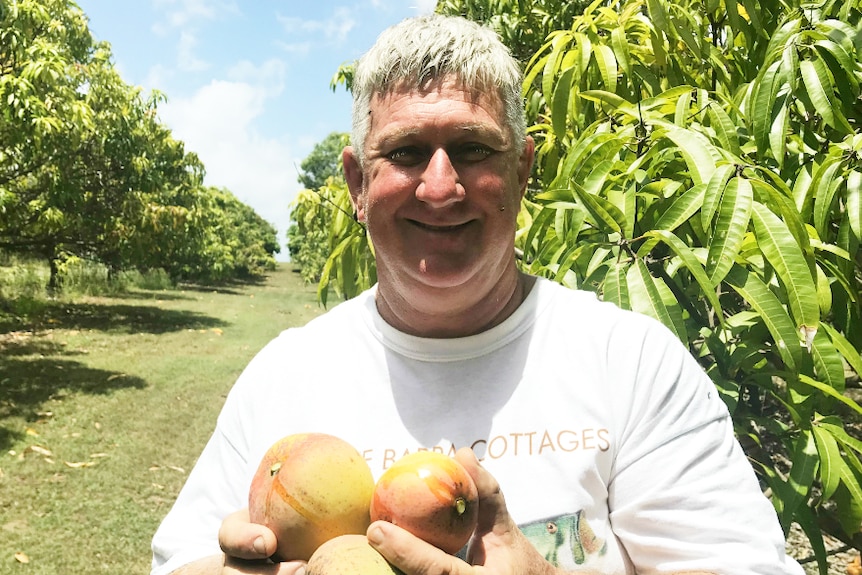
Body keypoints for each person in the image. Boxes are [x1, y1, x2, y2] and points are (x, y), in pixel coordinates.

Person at [151, 14, 805, 575]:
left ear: (522, 171)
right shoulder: (284, 376)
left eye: (471, 148)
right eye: (406, 151)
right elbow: (183, 558)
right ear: (356, 183)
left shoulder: (628, 362)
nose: (440, 187)